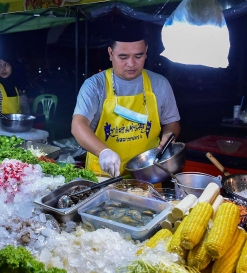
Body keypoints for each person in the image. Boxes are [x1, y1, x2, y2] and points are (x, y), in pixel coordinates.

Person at [71, 19, 180, 177]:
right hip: (104, 177)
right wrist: (104, 152)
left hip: (148, 175)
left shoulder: (159, 84)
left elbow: (172, 122)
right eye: (123, 57)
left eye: (138, 56)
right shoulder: (95, 86)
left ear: (146, 51)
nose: (131, 63)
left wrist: (169, 135)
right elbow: (78, 125)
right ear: (110, 53)